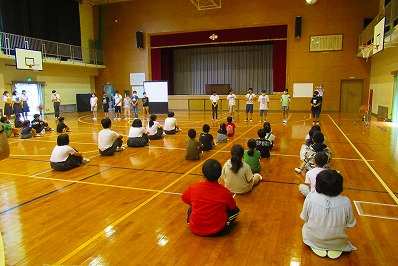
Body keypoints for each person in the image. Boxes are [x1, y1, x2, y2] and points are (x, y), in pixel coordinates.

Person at [300, 170, 356, 259]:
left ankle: (319, 243)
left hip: (314, 239)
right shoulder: (346, 201)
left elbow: (305, 218)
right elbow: (350, 223)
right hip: (338, 242)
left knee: (305, 226)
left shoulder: (310, 197)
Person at [182, 159, 240, 236]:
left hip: (195, 228)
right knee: (236, 210)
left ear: (203, 174)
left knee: (191, 208)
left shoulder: (194, 187)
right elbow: (232, 207)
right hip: (217, 231)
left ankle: (192, 221)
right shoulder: (225, 191)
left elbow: (184, 198)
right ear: (220, 175)